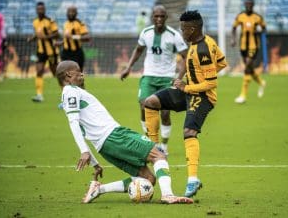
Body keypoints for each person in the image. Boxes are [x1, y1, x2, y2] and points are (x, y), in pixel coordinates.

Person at [56, 60, 193, 204]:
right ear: (69, 74)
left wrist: (95, 163)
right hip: (114, 136)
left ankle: (99, 189)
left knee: (148, 180)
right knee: (158, 155)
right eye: (79, 71)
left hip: (104, 147)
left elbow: (83, 129)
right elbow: (74, 122)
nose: (82, 74)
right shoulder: (70, 91)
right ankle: (168, 195)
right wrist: (84, 151)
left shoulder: (73, 92)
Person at [143, 10, 227, 197]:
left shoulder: (203, 48)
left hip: (203, 96)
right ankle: (154, 148)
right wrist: (191, 80)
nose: (181, 32)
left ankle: (192, 180)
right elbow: (222, 62)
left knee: (189, 132)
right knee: (150, 102)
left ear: (193, 28)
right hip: (189, 89)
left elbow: (212, 83)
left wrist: (186, 87)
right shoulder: (206, 42)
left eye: (183, 29)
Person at [120, 5, 188, 155]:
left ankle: (164, 145)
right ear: (152, 17)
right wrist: (128, 67)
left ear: (166, 18)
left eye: (162, 16)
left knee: (164, 113)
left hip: (167, 78)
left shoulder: (174, 35)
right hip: (149, 76)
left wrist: (179, 77)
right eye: (156, 16)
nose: (159, 19)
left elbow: (186, 56)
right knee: (144, 106)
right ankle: (151, 141)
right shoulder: (146, 32)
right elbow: (138, 50)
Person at [231, 0, 266, 104]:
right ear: (245, 5)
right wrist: (233, 39)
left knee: (247, 67)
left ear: (253, 5)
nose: (248, 6)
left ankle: (243, 95)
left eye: (250, 4)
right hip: (243, 46)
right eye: (247, 4)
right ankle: (261, 82)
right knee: (249, 68)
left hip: (253, 46)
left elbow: (264, 28)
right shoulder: (240, 16)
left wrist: (259, 31)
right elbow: (233, 28)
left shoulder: (257, 17)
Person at [28, 2, 59, 102]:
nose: (40, 11)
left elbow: (57, 34)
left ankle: (65, 95)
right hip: (41, 51)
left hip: (51, 51)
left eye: (42, 9)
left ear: (45, 10)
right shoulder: (35, 22)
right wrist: (32, 38)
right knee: (39, 71)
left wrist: (45, 37)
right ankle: (39, 95)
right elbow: (37, 34)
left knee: (56, 73)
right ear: (36, 10)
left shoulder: (50, 21)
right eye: (39, 9)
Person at [58, 6, 90, 73]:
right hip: (66, 52)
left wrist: (73, 37)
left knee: (78, 75)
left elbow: (87, 37)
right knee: (65, 74)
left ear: (76, 13)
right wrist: (60, 43)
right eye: (69, 12)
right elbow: (67, 38)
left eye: (73, 12)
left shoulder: (80, 23)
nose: (70, 13)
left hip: (77, 53)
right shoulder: (65, 24)